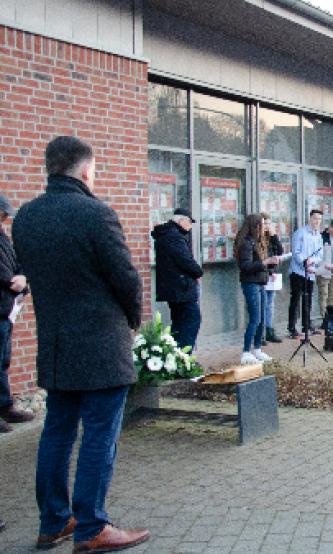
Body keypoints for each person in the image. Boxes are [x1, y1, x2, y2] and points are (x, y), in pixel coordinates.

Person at [14, 136, 148, 552]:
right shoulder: (96, 214)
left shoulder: (25, 218)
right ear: (86, 171)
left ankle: (53, 521)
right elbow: (127, 279)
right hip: (101, 349)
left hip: (55, 347)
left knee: (56, 433)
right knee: (98, 437)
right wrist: (132, 320)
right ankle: (91, 527)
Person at [0, 194, 34, 434]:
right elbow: (5, 273)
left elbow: (17, 262)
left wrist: (23, 277)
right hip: (4, 300)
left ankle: (5, 405)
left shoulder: (3, 237)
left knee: (3, 360)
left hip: (6, 308)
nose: (4, 220)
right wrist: (13, 281)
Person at [151, 208, 203, 351]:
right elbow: (185, 260)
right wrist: (198, 272)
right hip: (181, 288)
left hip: (175, 288)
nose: (190, 226)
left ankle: (175, 358)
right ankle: (183, 357)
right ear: (181, 221)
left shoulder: (166, 234)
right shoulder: (174, 236)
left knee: (179, 323)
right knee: (191, 320)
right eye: (189, 222)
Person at [236, 214, 278, 364]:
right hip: (251, 283)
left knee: (261, 317)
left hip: (260, 282)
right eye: (262, 225)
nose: (264, 228)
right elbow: (245, 266)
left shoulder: (257, 241)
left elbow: (265, 259)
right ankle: (246, 351)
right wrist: (265, 262)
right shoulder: (247, 243)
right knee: (254, 318)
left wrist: (269, 266)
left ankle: (257, 348)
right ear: (255, 226)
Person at [288, 210, 323, 338]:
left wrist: (312, 261)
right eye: (315, 218)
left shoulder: (318, 236)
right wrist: (304, 262)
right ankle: (292, 328)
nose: (317, 222)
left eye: (319, 219)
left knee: (307, 299)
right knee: (296, 299)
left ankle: (306, 326)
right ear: (310, 218)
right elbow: (295, 252)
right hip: (298, 271)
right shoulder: (300, 233)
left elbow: (320, 254)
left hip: (310, 272)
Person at [261, 214, 287, 344]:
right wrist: (270, 271)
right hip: (262, 274)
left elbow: (280, 251)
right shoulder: (258, 240)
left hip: (272, 275)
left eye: (269, 224)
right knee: (262, 304)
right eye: (265, 224)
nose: (267, 227)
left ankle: (269, 330)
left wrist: (274, 235)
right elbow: (260, 260)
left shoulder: (271, 238)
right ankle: (261, 334)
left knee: (270, 304)